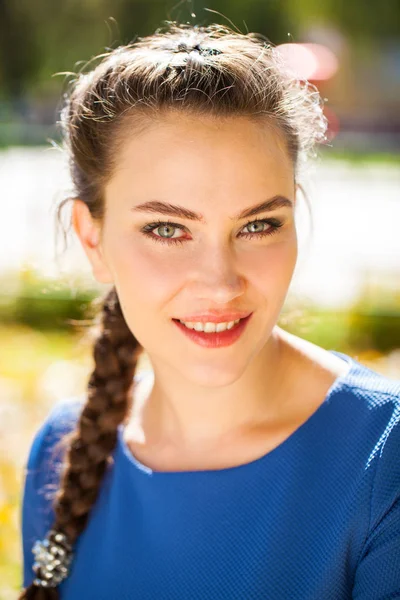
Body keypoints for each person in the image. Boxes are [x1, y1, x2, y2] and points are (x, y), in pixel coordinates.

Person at [19, 21, 400, 600]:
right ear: (92, 239)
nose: (221, 283)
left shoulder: (383, 458)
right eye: (167, 229)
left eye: (258, 224)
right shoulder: (60, 451)